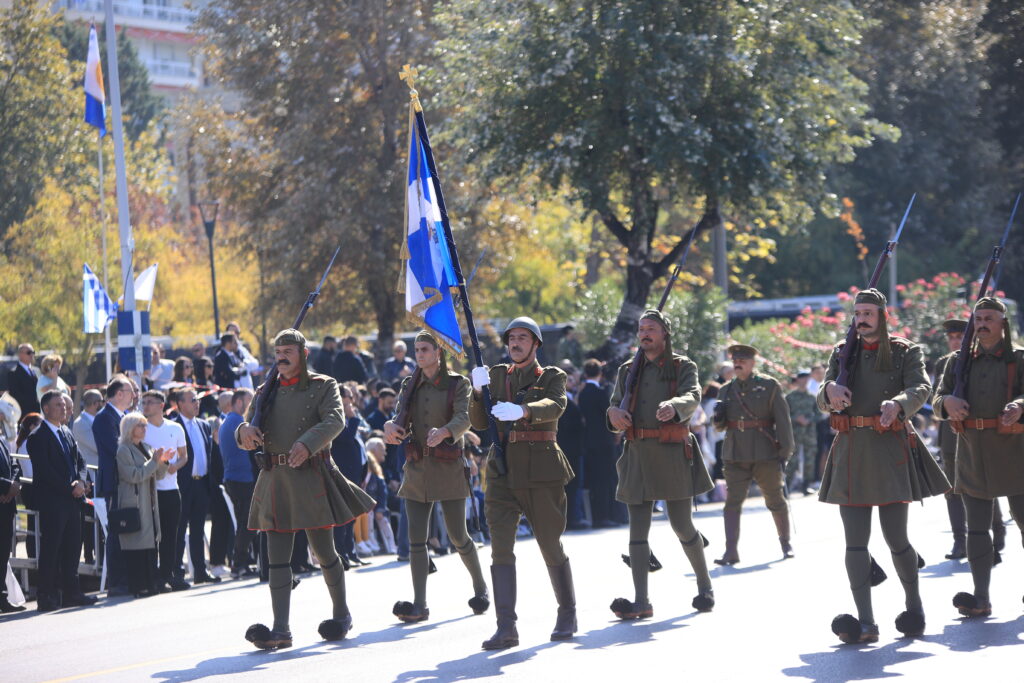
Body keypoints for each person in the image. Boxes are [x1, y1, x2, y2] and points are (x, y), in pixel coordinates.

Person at [820, 288, 948, 643]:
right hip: (851, 452)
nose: (861, 318)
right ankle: (865, 622)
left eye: (868, 313)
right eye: (857, 312)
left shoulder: (906, 351)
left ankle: (914, 608)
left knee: (896, 539)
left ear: (881, 316)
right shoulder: (842, 352)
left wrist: (898, 403)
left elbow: (921, 386)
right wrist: (829, 390)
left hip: (889, 447)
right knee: (855, 544)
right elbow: (822, 393)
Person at [236, 328, 374, 649]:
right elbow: (246, 427)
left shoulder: (323, 386)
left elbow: (336, 421)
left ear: (304, 354)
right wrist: (243, 431)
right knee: (277, 559)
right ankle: (281, 629)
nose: (281, 357)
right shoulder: (265, 391)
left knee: (325, 552)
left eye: (288, 351)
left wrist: (307, 442)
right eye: (278, 352)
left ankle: (341, 614)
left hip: (310, 475)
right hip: (275, 478)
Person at [470, 316, 576, 649]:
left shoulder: (552, 377)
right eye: (511, 338)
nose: (515, 343)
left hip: (541, 469)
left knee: (549, 543)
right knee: (500, 547)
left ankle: (567, 612)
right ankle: (506, 627)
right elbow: (477, 421)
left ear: (535, 344)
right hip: (502, 469)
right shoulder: (497, 376)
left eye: (522, 338)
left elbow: (556, 404)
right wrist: (476, 392)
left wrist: (524, 411)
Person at [606, 310, 715, 619]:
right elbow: (615, 404)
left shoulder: (682, 366)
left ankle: (705, 587)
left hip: (671, 451)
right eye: (641, 329)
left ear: (665, 334)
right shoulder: (628, 370)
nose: (644, 334)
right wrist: (613, 414)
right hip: (637, 452)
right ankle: (642, 601)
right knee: (637, 531)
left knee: (682, 524)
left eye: (651, 328)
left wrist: (675, 405)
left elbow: (692, 395)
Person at [383, 331, 489, 623]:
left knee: (458, 536)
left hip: (448, 466)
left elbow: (465, 416)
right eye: (416, 349)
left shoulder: (458, 384)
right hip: (417, 468)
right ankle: (419, 604)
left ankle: (480, 588)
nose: (419, 354)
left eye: (425, 349)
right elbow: (398, 417)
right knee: (417, 540)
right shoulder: (409, 385)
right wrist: (390, 427)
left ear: (438, 353)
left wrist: (445, 431)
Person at [933, 297, 1024, 618]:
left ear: (1002, 324)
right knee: (976, 529)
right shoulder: (957, 362)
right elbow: (937, 398)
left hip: (1015, 452)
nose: (982, 323)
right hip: (971, 450)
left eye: (989, 318)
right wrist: (947, 404)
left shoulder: (1019, 359)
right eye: (978, 318)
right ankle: (981, 597)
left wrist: (1020, 405)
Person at [711, 344, 795, 565]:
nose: (738, 363)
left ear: (752, 363)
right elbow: (720, 428)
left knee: (775, 499)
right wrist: (717, 419)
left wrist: (785, 451)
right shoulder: (726, 390)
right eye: (735, 360)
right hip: (735, 454)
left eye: (743, 360)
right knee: (731, 504)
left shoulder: (768, 386)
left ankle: (786, 543)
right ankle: (731, 551)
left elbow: (783, 422)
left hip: (764, 453)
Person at [28, 390, 97, 611]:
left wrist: (81, 481)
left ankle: (72, 592)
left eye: (64, 404)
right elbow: (45, 471)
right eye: (58, 405)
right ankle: (46, 595)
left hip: (72, 500)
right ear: (46, 409)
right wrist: (71, 488)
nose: (64, 408)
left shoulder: (66, 432)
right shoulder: (38, 437)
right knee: (51, 548)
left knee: (72, 547)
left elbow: (81, 462)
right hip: (53, 501)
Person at [116, 412, 173, 597]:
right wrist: (154, 461)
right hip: (135, 501)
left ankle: (151, 584)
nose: (144, 428)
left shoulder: (147, 447)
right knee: (136, 545)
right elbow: (134, 475)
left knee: (150, 544)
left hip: (149, 502)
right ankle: (139, 586)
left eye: (145, 425)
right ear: (130, 428)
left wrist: (163, 462)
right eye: (140, 425)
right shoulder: (123, 450)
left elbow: (158, 474)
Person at [140, 390, 190, 592]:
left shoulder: (175, 427)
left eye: (150, 402)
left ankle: (168, 574)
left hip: (171, 489)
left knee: (171, 535)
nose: (145, 406)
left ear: (161, 406)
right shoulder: (141, 429)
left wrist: (174, 466)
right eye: (143, 402)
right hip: (151, 491)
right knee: (153, 535)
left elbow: (184, 456)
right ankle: (154, 577)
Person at [93, 375, 135, 596]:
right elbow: (115, 448)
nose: (133, 396)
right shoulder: (104, 418)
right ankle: (116, 581)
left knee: (129, 529)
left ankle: (129, 576)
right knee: (116, 532)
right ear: (119, 393)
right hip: (114, 483)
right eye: (130, 392)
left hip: (128, 481)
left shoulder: (125, 416)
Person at [174, 387, 220, 585]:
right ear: (180, 404)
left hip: (201, 483)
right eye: (192, 400)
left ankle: (200, 572)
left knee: (198, 530)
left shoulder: (203, 425)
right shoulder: (174, 426)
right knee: (179, 530)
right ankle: (177, 573)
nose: (196, 403)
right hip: (182, 485)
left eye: (197, 399)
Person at [219, 388, 259, 579]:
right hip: (241, 479)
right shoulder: (237, 422)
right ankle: (238, 563)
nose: (252, 406)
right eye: (250, 401)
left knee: (246, 523)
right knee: (248, 523)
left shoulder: (229, 421)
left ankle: (242, 561)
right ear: (240, 403)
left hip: (237, 478)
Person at [579, 359, 618, 528]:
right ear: (600, 373)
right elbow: (609, 413)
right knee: (605, 479)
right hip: (604, 441)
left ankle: (599, 515)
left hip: (589, 441)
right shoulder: (601, 392)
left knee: (596, 480)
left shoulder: (583, 393)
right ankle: (605, 515)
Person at [0, 428, 23, 612]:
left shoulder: (2, 439)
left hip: (6, 505)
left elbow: (14, 465)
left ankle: (1, 597)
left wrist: (13, 485)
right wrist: (6, 486)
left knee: (3, 553)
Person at [785, 369, 819, 495]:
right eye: (802, 378)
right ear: (798, 379)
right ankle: (786, 486)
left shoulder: (812, 397)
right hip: (794, 433)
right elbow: (783, 415)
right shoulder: (790, 397)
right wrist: (796, 418)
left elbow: (819, 414)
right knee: (792, 459)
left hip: (809, 433)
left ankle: (806, 485)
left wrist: (809, 420)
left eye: (806, 378)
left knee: (810, 459)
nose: (804, 381)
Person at [226, 321, 264, 390]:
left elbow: (255, 364)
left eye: (237, 332)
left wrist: (244, 365)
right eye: (232, 332)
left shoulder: (242, 349)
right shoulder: (223, 351)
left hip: (247, 389)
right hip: (232, 390)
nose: (235, 335)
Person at [72, 390, 103, 470]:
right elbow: (99, 447)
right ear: (95, 404)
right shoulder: (80, 423)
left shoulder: (98, 420)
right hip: (92, 473)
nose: (104, 404)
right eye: (102, 401)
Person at [8, 343, 40, 414]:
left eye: (33, 352)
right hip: (24, 414)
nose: (32, 355)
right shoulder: (14, 373)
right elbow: (15, 396)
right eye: (29, 353)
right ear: (20, 355)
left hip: (36, 412)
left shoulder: (34, 371)